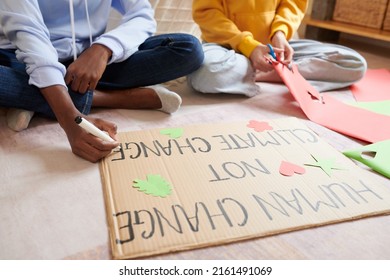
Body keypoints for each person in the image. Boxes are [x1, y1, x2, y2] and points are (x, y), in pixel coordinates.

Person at [0, 0, 204, 162]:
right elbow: (31, 39)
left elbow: (142, 16)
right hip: (21, 57)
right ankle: (110, 98)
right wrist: (70, 119)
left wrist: (103, 49)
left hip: (86, 64)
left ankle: (36, 97)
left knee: (188, 49)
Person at [187, 0, 367, 97]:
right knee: (206, 75)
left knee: (354, 64)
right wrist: (249, 46)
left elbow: (293, 4)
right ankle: (275, 72)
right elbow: (207, 14)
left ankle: (267, 71)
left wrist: (280, 33)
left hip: (274, 47)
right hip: (225, 47)